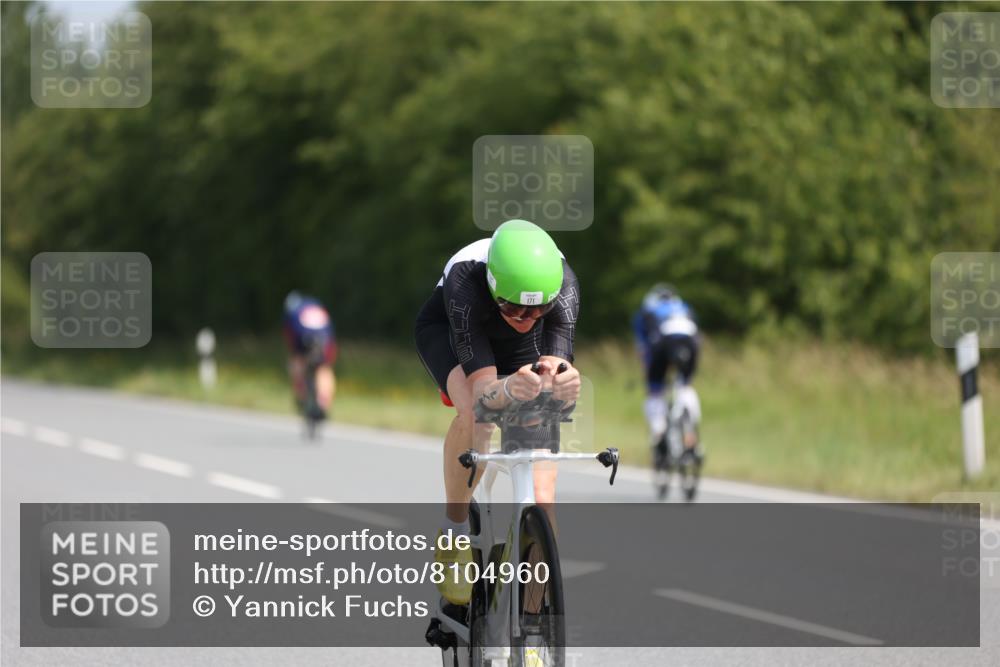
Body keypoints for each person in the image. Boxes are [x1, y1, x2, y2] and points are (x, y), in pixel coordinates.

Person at [415, 219, 581, 605]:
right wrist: (508, 389)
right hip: (454, 332)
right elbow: (484, 395)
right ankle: (455, 529)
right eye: (513, 306)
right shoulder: (466, 282)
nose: (524, 318)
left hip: (523, 349)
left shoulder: (565, 288)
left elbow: (556, 373)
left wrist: (565, 383)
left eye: (538, 309)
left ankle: (534, 622)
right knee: (477, 417)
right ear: (493, 287)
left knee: (543, 496)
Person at [633, 283, 702, 459]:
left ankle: (658, 434)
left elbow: (644, 348)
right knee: (685, 386)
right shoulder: (684, 306)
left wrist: (649, 371)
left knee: (655, 391)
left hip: (663, 343)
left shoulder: (647, 311)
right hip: (690, 342)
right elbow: (697, 335)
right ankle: (691, 436)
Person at [283, 291, 337, 420]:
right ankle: (324, 403)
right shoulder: (317, 306)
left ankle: (301, 395)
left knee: (297, 363)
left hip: (303, 338)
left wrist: (295, 353)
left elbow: (290, 336)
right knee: (324, 368)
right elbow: (330, 330)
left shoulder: (292, 312)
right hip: (325, 339)